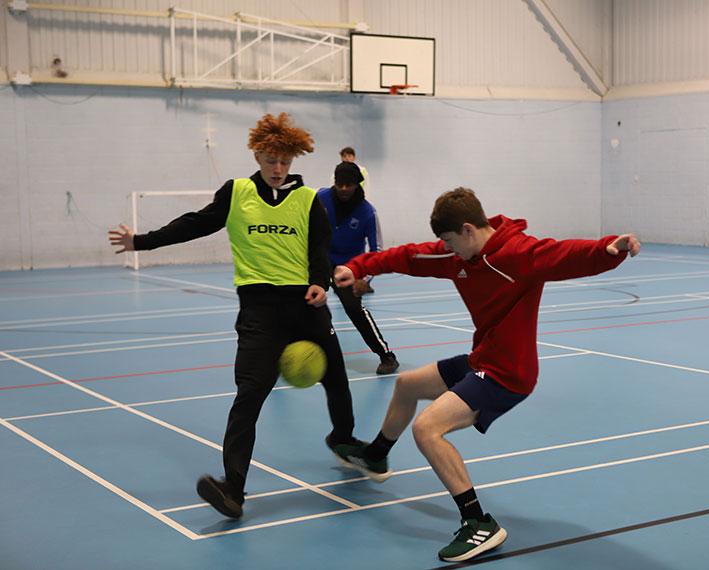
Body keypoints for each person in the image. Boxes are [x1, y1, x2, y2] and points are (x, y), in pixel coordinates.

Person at [332, 188, 641, 563]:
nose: (445, 248)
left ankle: (479, 523)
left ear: (467, 229)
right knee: (407, 384)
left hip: (508, 372)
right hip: (483, 358)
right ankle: (376, 456)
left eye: (448, 240)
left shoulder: (518, 254)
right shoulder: (456, 254)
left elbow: (565, 255)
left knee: (427, 429)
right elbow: (408, 256)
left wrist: (610, 248)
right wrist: (358, 267)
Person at [108, 113, 361, 520]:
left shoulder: (310, 199)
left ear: (293, 160)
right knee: (248, 399)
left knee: (337, 378)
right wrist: (141, 241)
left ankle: (345, 440)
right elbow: (195, 224)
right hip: (259, 313)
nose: (277, 169)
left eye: (284, 161)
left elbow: (321, 247)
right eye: (270, 160)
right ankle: (233, 491)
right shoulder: (237, 192)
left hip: (305, 305)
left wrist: (321, 283)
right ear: (258, 155)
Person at [318, 162, 399, 375]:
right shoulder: (319, 199)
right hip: (321, 262)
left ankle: (386, 356)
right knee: (305, 303)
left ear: (357, 185)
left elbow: (377, 251)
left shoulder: (368, 212)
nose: (344, 188)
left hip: (349, 270)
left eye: (349, 184)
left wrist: (365, 279)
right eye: (340, 184)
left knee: (354, 309)